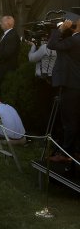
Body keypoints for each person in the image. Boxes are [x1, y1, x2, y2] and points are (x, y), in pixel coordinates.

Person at [48, 16, 80, 163]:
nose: (73, 22)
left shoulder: (75, 40)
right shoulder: (74, 39)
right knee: (74, 120)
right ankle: (74, 152)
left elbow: (52, 44)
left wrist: (61, 29)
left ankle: (66, 154)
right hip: (75, 85)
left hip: (71, 85)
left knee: (69, 121)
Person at [0, 15, 21, 95]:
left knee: (1, 91)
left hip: (7, 69)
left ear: (8, 23)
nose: (0, 23)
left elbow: (8, 52)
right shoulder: (7, 34)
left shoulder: (12, 35)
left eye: (2, 21)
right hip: (3, 68)